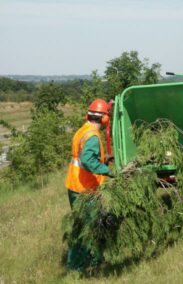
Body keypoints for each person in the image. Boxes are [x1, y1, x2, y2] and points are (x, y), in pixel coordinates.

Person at [64, 98, 113, 272]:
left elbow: (82, 156)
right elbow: (87, 160)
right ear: (104, 119)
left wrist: (104, 159)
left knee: (82, 226)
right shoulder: (92, 136)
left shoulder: (82, 130)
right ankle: (82, 265)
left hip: (74, 186)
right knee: (89, 228)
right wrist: (107, 171)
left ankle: (85, 262)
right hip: (85, 190)